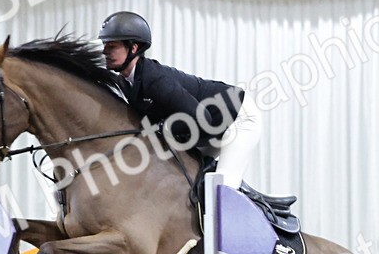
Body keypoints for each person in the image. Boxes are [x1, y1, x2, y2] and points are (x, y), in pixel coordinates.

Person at [99, 11, 263, 190]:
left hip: (238, 118)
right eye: (104, 45)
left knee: (221, 189)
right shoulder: (125, 82)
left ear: (134, 48)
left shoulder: (154, 80)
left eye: (111, 46)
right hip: (207, 129)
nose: (104, 51)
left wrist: (164, 127)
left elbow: (202, 118)